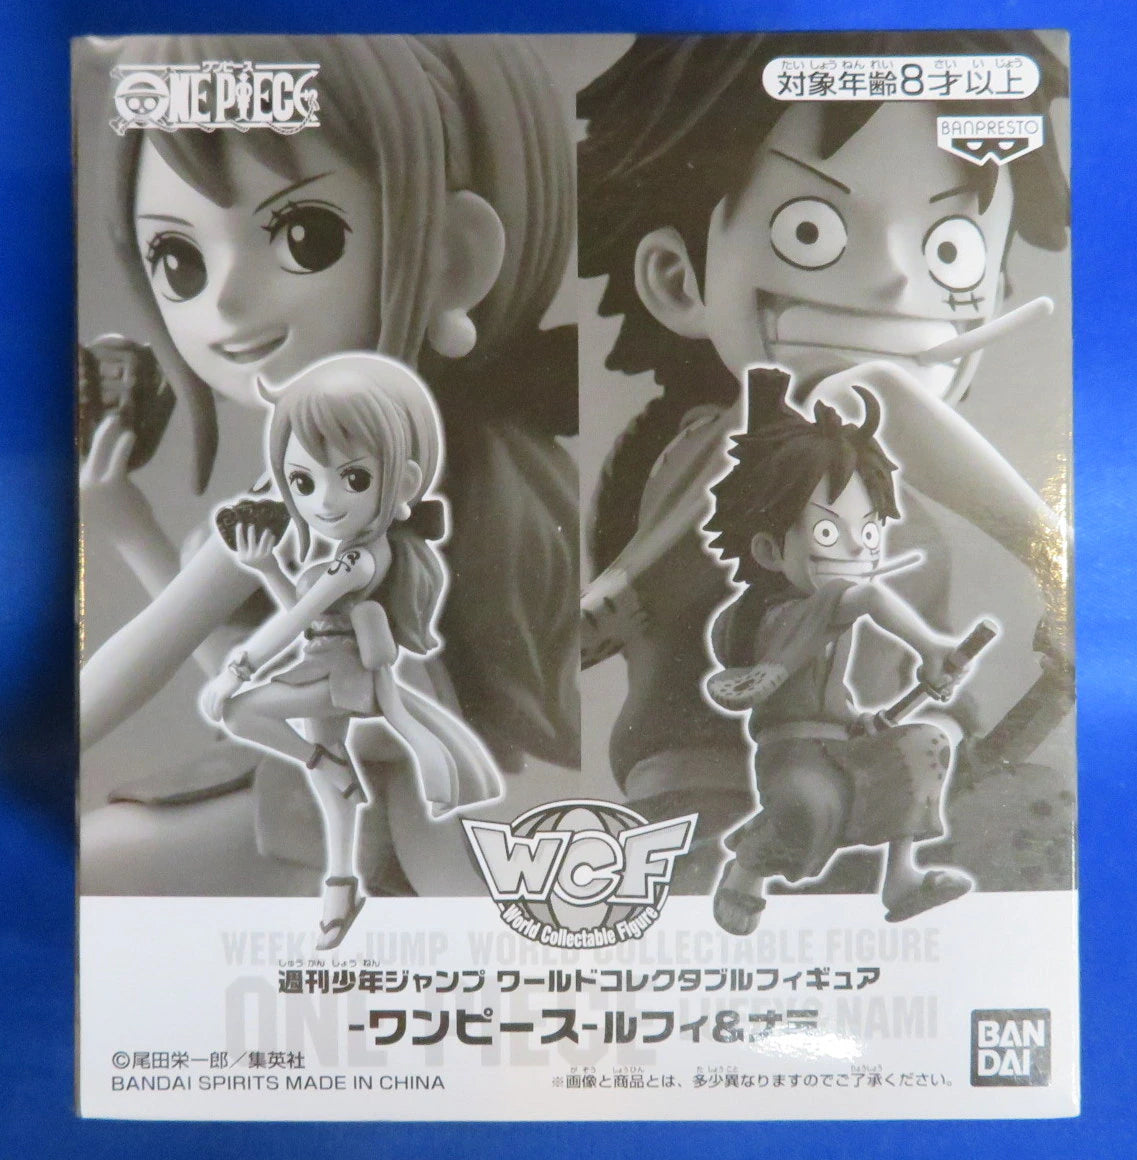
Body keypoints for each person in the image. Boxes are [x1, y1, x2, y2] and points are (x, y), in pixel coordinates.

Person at [78, 35, 578, 895]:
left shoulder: (364, 486)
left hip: (365, 795)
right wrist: (136, 532)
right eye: (178, 261)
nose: (225, 302)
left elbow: (157, 656)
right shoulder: (385, 474)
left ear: (452, 257)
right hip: (334, 785)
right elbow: (231, 662)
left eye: (305, 237)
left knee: (89, 871)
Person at [578, 31, 1071, 890]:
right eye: (811, 232)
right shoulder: (740, 449)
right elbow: (875, 391)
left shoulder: (879, 489)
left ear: (992, 298)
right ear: (679, 280)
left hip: (854, 796)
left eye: (949, 249)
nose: (895, 284)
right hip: (706, 806)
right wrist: (1059, 559)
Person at [199, 353, 501, 946]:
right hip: (323, 662)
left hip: (342, 676)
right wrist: (268, 568)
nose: (325, 502)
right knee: (332, 792)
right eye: (304, 483)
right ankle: (341, 887)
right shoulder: (345, 553)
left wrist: (236, 670)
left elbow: (299, 620)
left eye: (354, 479)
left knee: (237, 711)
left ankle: (323, 765)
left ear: (403, 484)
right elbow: (307, 615)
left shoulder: (358, 559)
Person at [704, 368, 976, 934]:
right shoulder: (797, 610)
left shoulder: (821, 607)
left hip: (844, 739)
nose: (858, 549)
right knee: (809, 807)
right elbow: (869, 596)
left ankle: (901, 878)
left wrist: (862, 723)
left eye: (869, 532)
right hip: (792, 753)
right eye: (829, 534)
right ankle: (747, 869)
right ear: (769, 550)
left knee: (921, 745)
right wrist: (931, 647)